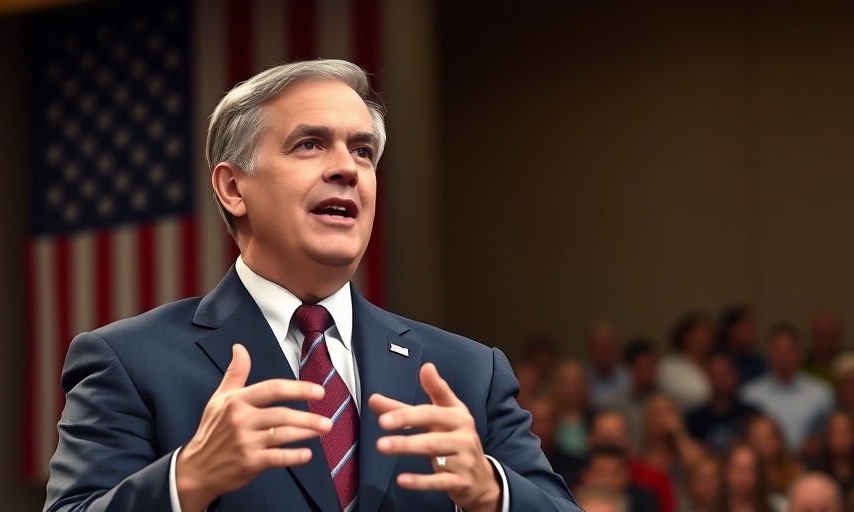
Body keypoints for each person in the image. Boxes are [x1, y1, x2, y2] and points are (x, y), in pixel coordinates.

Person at [43, 60, 580, 512]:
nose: (347, 167)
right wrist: (186, 480)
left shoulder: (468, 372)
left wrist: (491, 491)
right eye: (309, 145)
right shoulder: (130, 361)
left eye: (363, 151)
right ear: (233, 188)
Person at [741, 323, 835, 454]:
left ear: (799, 353)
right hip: (763, 465)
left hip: (809, 462)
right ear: (768, 354)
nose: (783, 357)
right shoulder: (750, 394)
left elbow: (829, 435)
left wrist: (818, 443)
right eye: (777, 351)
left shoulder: (820, 392)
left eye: (788, 350)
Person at [588, 409, 676, 512]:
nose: (609, 442)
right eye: (604, 435)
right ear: (587, 475)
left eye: (615, 435)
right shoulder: (568, 492)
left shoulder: (652, 486)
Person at [685, 350, 760, 452]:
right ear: (707, 376)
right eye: (714, 374)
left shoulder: (752, 415)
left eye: (724, 373)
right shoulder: (693, 420)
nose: (719, 380)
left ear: (736, 374)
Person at [639, 394, 705, 497]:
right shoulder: (641, 456)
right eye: (656, 414)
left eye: (667, 413)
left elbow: (698, 468)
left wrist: (678, 433)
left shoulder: (687, 447)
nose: (662, 419)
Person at [657, 311, 714, 412]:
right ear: (686, 337)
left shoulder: (716, 363)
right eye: (699, 334)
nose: (704, 338)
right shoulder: (669, 366)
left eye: (707, 333)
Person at [611, 338, 660, 450]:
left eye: (652, 366)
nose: (649, 372)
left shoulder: (668, 402)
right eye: (643, 367)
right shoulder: (616, 406)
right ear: (631, 369)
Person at [581, 445, 660, 512]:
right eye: (601, 473)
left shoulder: (645, 503)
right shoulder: (570, 502)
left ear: (628, 475)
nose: (608, 481)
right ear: (586, 476)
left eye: (616, 473)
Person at [527, 397, 584, 489]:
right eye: (538, 421)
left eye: (548, 421)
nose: (544, 428)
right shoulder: (515, 462)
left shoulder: (572, 464)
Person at [744, 414, 803, 496]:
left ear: (780, 439)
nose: (766, 443)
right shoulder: (742, 474)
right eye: (760, 438)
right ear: (748, 441)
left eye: (770, 437)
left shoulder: (795, 472)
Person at [717, 443, 779, 512]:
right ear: (725, 471)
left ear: (759, 475)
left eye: (749, 470)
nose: (742, 476)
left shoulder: (776, 506)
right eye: (737, 469)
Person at [716, 305, 766, 385]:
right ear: (731, 330)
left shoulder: (758, 362)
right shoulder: (717, 359)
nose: (752, 331)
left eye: (752, 326)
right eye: (746, 326)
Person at [808, 411, 854, 497]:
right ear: (827, 435)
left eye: (846, 432)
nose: (841, 438)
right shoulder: (815, 469)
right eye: (836, 432)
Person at [551, 359, 591, 458]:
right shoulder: (549, 419)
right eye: (566, 383)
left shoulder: (594, 419)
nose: (571, 389)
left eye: (576, 383)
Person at [586, 321, 631, 408]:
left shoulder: (629, 377)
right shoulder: (583, 380)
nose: (603, 352)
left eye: (607, 347)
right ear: (590, 350)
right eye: (599, 347)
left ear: (616, 348)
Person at [514, 334, 559, 408]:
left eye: (547, 358)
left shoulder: (555, 378)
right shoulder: (524, 375)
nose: (544, 361)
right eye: (540, 358)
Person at [805, 311, 844, 385]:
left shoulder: (849, 365)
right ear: (813, 336)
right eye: (820, 334)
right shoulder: (803, 366)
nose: (825, 340)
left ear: (838, 335)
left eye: (830, 335)